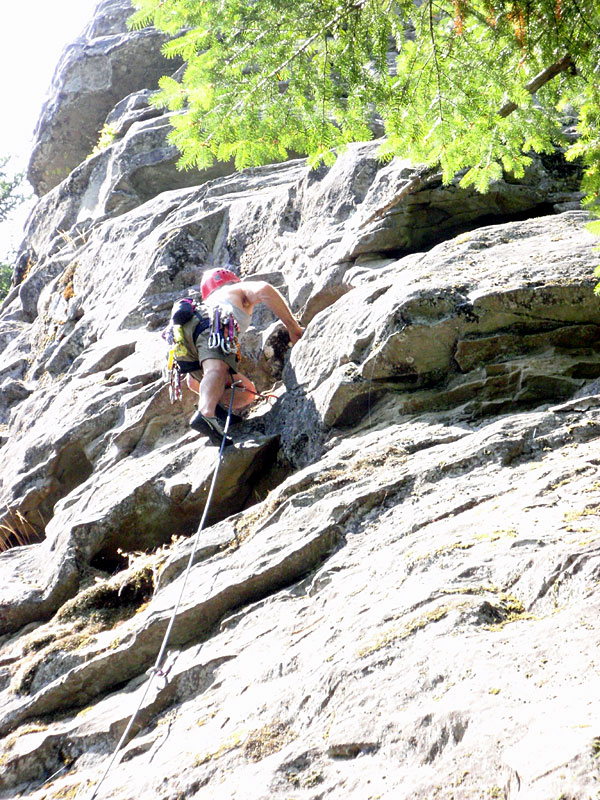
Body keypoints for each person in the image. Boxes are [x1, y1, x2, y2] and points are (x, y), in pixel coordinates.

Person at [181, 267, 304, 445]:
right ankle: (206, 413)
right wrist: (294, 328)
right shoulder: (236, 290)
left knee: (247, 392)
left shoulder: (204, 304)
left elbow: (193, 382)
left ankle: (215, 407)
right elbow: (264, 289)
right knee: (217, 368)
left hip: (185, 335)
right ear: (232, 280)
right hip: (212, 323)